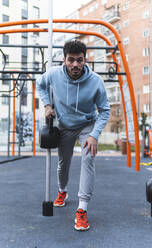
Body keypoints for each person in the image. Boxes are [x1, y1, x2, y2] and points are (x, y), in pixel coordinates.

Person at [36, 40, 110, 231]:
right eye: (71, 60)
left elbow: (105, 111)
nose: (75, 65)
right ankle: (62, 191)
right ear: (64, 59)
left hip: (87, 125)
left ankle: (82, 209)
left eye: (79, 60)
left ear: (85, 60)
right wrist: (46, 105)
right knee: (63, 163)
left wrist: (94, 135)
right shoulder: (53, 74)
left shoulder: (96, 81)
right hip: (65, 126)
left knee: (88, 159)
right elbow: (40, 84)